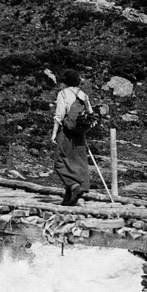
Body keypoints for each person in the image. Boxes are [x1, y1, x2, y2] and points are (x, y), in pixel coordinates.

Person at [51, 69, 93, 206]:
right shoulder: (83, 95)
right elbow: (91, 114)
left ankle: (75, 186)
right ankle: (70, 198)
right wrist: (82, 129)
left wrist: (54, 133)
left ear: (65, 82)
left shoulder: (63, 93)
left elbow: (59, 115)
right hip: (79, 134)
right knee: (78, 162)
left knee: (60, 162)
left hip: (66, 132)